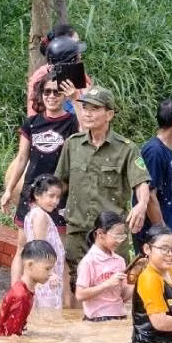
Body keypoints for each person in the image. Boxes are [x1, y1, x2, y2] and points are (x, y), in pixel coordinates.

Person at [55, 86, 150, 269]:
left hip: (111, 234)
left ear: (109, 114)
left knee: (114, 284)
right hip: (78, 231)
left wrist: (142, 204)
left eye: (95, 109)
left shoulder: (126, 149)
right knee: (76, 284)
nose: (88, 114)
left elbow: (141, 182)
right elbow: (60, 183)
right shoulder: (72, 144)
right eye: (85, 108)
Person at [0, 76, 79, 227]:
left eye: (57, 92)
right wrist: (9, 190)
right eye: (47, 92)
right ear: (41, 94)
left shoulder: (73, 122)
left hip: (59, 192)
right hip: (32, 189)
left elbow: (87, 134)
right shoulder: (32, 123)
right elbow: (22, 158)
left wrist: (75, 100)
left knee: (56, 247)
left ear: (64, 95)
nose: (51, 96)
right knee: (24, 245)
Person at [14, 174, 67, 311]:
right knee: (47, 318)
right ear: (37, 195)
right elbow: (39, 247)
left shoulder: (32, 213)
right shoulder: (40, 216)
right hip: (46, 277)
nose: (55, 201)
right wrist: (51, 273)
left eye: (58, 197)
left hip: (41, 274)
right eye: (51, 196)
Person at [141, 98, 172, 244]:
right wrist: (164, 235)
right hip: (153, 236)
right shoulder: (154, 152)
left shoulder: (166, 149)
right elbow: (149, 195)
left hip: (164, 231)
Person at [0, 240, 58, 338]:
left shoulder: (25, 289)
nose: (50, 273)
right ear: (30, 265)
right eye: (47, 269)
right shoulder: (21, 296)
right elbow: (11, 337)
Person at [75, 211, 132, 322]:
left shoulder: (120, 261)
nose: (119, 241)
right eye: (116, 236)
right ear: (100, 234)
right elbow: (80, 295)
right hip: (96, 321)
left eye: (122, 236)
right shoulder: (89, 261)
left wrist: (137, 280)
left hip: (120, 317)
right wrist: (107, 284)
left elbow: (124, 296)